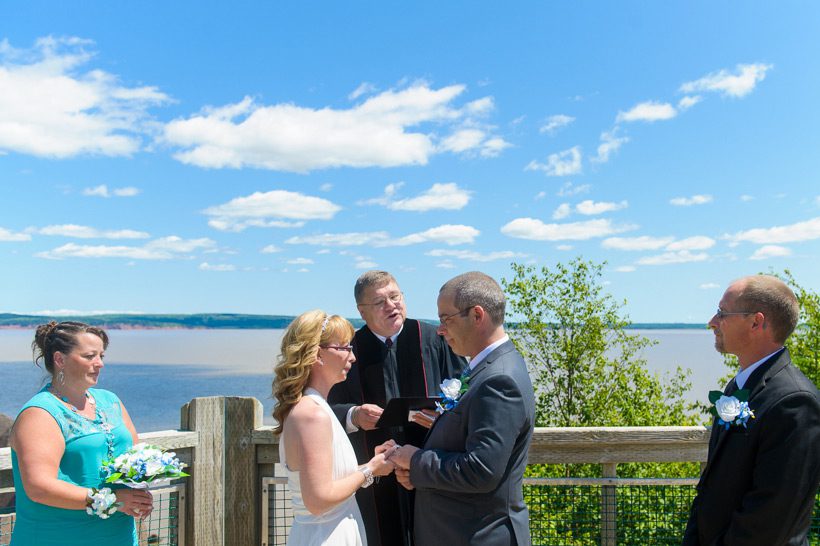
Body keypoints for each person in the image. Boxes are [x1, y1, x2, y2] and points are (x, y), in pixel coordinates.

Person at [390, 271, 536, 546]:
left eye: (446, 319)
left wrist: (415, 460)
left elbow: (481, 470)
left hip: (477, 536)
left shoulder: (499, 380)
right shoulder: (486, 369)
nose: (440, 330)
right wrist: (420, 475)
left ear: (477, 316)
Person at [327, 271, 466, 546]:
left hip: (428, 467)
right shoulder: (348, 350)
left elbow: (463, 390)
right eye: (380, 302)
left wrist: (442, 416)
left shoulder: (433, 338)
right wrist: (353, 415)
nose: (391, 305)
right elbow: (325, 407)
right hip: (373, 476)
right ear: (362, 312)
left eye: (395, 296)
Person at [683, 275, 820, 545]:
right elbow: (710, 488)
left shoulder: (795, 401)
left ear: (756, 322)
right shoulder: (737, 387)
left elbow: (770, 519)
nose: (712, 322)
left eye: (722, 313)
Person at [9, 321, 154, 545]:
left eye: (101, 356)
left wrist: (140, 491)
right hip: (58, 537)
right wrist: (114, 500)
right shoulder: (40, 413)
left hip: (119, 536)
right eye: (89, 356)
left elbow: (136, 456)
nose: (100, 364)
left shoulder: (110, 401)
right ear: (60, 360)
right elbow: (39, 488)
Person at [273, 310, 397, 546]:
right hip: (326, 537)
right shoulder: (313, 414)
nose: (352, 357)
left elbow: (327, 481)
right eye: (344, 348)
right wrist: (369, 470)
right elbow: (318, 500)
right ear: (318, 354)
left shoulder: (313, 407)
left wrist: (375, 465)